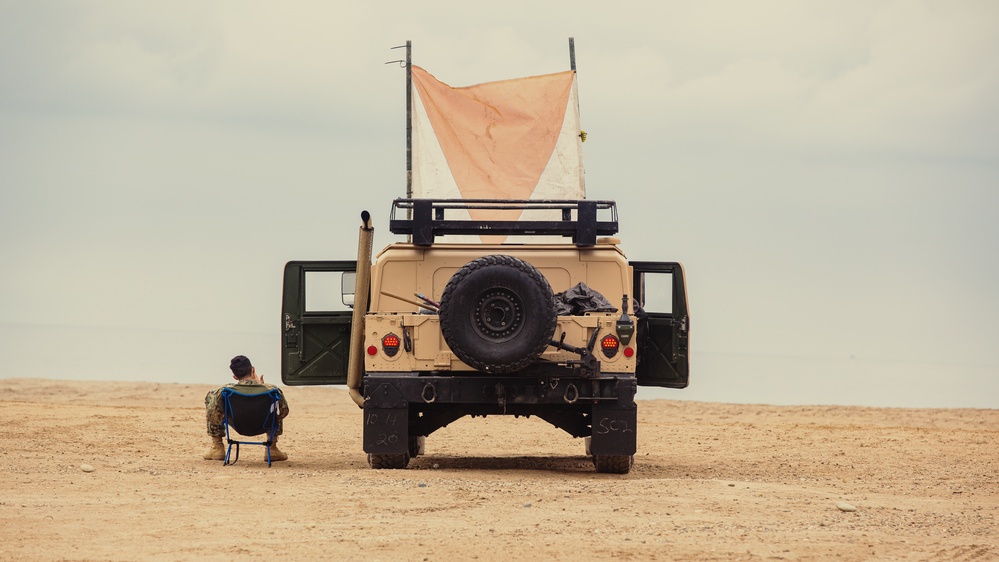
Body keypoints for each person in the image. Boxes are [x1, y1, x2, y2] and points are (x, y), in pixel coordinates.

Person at [203, 355, 290, 462]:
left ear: (235, 377)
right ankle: (272, 448)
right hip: (263, 424)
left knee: (212, 399)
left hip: (237, 424)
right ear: (253, 370)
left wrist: (223, 417)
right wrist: (261, 387)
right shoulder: (272, 390)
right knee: (275, 409)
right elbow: (284, 412)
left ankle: (217, 447)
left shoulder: (225, 391)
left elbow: (212, 415)